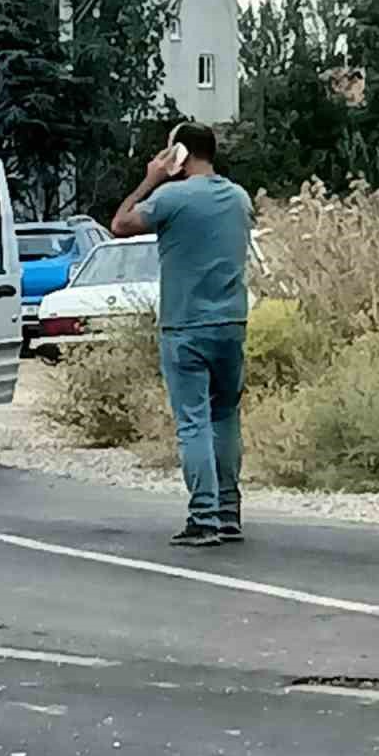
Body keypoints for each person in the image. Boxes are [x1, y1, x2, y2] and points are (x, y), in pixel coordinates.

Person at [111, 122, 253, 547]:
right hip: (231, 323)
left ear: (180, 154)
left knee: (193, 421)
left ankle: (203, 517)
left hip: (185, 324)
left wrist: (150, 180)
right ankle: (228, 513)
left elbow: (120, 224)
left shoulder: (170, 198)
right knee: (225, 417)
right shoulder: (239, 198)